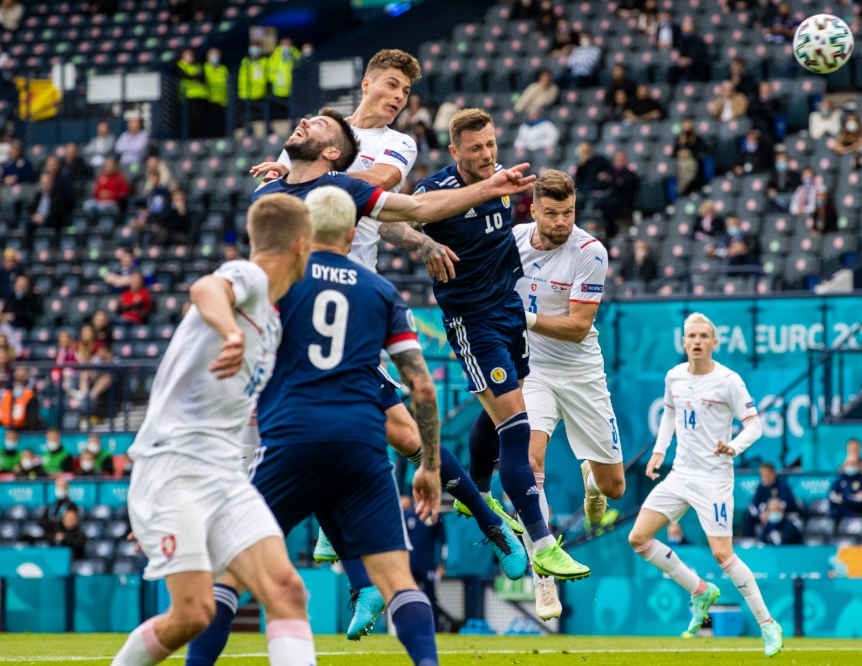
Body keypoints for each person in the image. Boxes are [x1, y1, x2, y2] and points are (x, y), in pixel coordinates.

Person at [215, 109, 533, 643]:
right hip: (284, 348)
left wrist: (486, 190)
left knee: (400, 436)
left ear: (334, 152)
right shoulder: (267, 199)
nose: (304, 122)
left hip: (349, 333)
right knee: (316, 441)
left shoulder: (343, 187)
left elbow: (416, 206)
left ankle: (490, 523)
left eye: (316, 124)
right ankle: (365, 582)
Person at [186, 187, 449, 666]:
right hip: (362, 445)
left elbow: (215, 304)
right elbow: (423, 389)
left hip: (292, 439)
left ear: (304, 232)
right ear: (353, 233)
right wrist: (429, 465)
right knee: (397, 580)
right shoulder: (382, 292)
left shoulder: (283, 279)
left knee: (229, 575)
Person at [109, 193, 318, 666]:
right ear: (301, 245)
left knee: (286, 589)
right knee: (193, 613)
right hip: (174, 468)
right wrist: (229, 331)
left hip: (223, 475)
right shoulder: (249, 277)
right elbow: (206, 288)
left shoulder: (273, 321)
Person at [412, 109, 589, 580]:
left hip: (509, 312)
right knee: (516, 426)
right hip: (474, 324)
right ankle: (542, 543)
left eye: (491, 144)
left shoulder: (505, 181)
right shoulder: (433, 192)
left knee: (497, 415)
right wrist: (422, 244)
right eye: (476, 148)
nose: (487, 154)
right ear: (454, 151)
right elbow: (392, 217)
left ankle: (479, 491)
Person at [626, 313, 782, 656]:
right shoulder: (674, 376)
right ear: (683, 343)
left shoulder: (728, 380)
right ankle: (699, 590)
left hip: (714, 479)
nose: (696, 341)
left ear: (714, 342)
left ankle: (768, 625)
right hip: (681, 474)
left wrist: (735, 446)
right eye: (691, 336)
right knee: (638, 538)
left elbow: (754, 425)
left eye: (703, 336)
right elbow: (669, 414)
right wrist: (658, 452)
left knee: (723, 554)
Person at [507, 171, 625, 621]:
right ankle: (544, 573)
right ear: (533, 209)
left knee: (615, 486)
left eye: (568, 213)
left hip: (580, 372)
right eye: (552, 213)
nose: (561, 222)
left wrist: (524, 317)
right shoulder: (512, 240)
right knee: (528, 460)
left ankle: (592, 478)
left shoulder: (590, 251)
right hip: (532, 370)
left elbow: (577, 329)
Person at [251, 51, 458, 281]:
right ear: (366, 85)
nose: (399, 96)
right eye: (392, 85)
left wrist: (303, 178)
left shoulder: (399, 142)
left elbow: (381, 178)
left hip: (353, 275)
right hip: (297, 271)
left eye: (405, 92)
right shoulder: (318, 129)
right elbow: (268, 192)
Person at [743, 462, 795, 536]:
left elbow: (787, 503)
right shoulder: (761, 487)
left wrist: (770, 512)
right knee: (748, 517)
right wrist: (760, 515)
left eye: (767, 475)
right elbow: (753, 505)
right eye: (763, 475)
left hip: (781, 514)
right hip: (764, 515)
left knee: (774, 518)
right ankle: (749, 542)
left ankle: (778, 542)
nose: (765, 478)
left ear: (774, 473)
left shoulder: (782, 485)